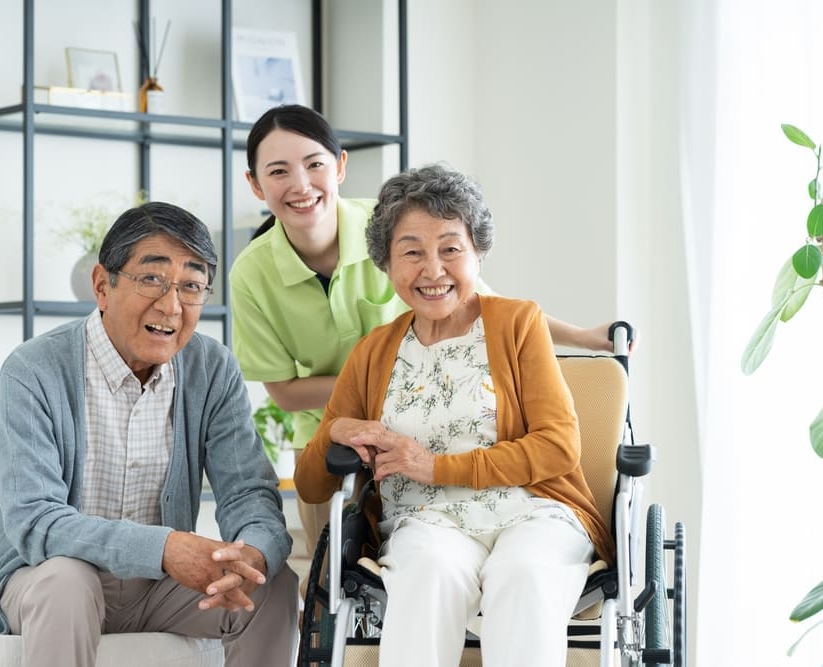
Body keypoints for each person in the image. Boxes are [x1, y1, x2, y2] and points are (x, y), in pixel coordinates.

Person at [229, 103, 623, 564]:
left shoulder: (400, 225)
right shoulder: (252, 275)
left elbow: (483, 304)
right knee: (332, 576)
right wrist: (374, 389)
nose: (300, 184)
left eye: (314, 164)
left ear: (338, 166)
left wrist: (582, 337)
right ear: (255, 183)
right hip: (338, 435)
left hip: (458, 431)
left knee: (515, 562)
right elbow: (285, 392)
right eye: (278, 171)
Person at [294, 164, 616, 667]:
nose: (433, 269)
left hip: (535, 512)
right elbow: (312, 484)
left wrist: (436, 467)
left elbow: (558, 446)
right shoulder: (373, 352)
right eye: (412, 252)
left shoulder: (517, 323)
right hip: (425, 522)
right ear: (386, 262)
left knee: (524, 574)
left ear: (477, 252)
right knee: (428, 573)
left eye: (450, 248)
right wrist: (334, 428)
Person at [0, 202, 299, 667]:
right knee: (68, 581)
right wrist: (162, 549)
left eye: (192, 286)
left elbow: (248, 492)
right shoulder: (34, 369)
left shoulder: (212, 368)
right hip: (45, 579)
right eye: (152, 279)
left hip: (157, 591)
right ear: (103, 285)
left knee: (273, 585)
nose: (171, 305)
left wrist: (252, 554)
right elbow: (34, 520)